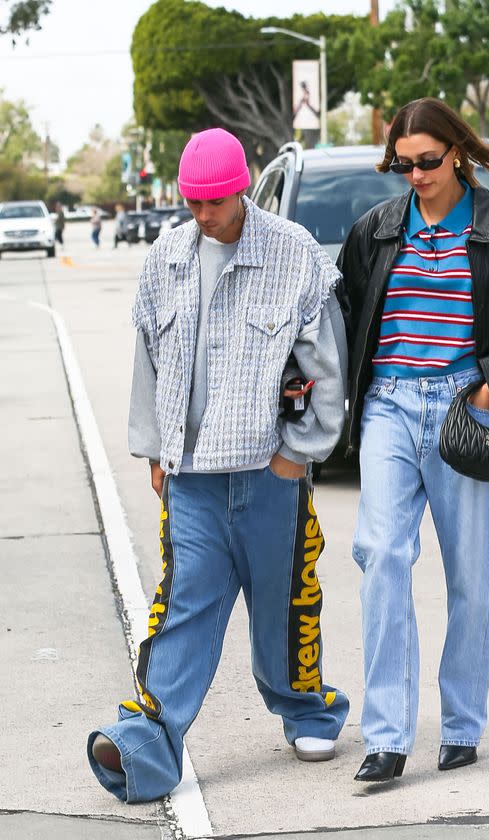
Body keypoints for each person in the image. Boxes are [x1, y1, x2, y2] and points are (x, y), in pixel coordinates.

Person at [87, 128, 350, 803]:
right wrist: (152, 448)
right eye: (193, 203)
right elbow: (149, 358)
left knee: (283, 606)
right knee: (181, 608)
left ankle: (309, 711)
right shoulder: (167, 256)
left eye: (215, 203)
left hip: (269, 472)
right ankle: (145, 742)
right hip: (193, 480)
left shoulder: (293, 255)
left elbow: (327, 364)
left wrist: (301, 453)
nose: (204, 216)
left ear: (242, 188)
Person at [336, 97, 489, 783]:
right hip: (387, 405)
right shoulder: (377, 231)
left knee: (471, 577)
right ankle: (386, 736)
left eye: (427, 161)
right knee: (380, 554)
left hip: (465, 406)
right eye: (402, 165)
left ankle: (463, 723)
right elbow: (345, 316)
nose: (415, 176)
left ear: (459, 151)